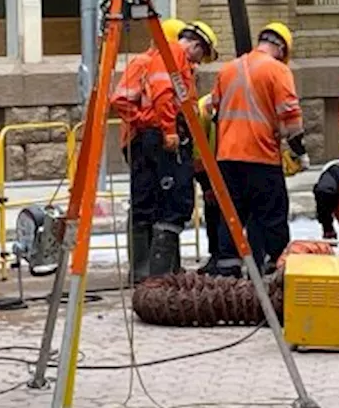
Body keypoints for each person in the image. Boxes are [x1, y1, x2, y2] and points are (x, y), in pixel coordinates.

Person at [109, 19, 218, 282]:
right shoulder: (171, 57)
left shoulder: (158, 59)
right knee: (174, 203)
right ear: (195, 44)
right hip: (160, 138)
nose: (197, 63)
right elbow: (164, 96)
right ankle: (160, 274)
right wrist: (163, 127)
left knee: (149, 203)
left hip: (148, 137)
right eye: (201, 54)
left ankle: (149, 272)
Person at [206, 22, 308, 276]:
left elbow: (212, 108)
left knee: (231, 216)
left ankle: (227, 275)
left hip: (227, 156)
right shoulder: (278, 71)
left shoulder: (228, 69)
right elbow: (291, 118)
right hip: (261, 157)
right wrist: (299, 152)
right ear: (281, 48)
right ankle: (276, 269)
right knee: (271, 216)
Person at [192, 93, 224, 274]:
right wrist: (205, 184)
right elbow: (198, 149)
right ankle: (219, 255)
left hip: (232, 166)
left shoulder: (206, 105)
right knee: (214, 215)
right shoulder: (206, 107)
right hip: (215, 170)